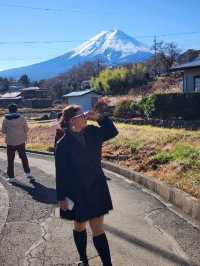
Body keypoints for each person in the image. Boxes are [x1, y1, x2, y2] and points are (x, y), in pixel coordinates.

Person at [55, 104, 118, 266]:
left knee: (98, 229)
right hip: (76, 191)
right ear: (71, 121)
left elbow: (112, 132)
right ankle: (83, 259)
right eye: (80, 115)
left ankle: (107, 264)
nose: (85, 116)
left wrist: (99, 118)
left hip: (96, 186)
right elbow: (60, 173)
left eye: (84, 114)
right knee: (80, 225)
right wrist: (61, 197)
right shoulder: (62, 144)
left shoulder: (92, 132)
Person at [1, 103, 34, 183]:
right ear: (16, 109)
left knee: (10, 159)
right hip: (21, 141)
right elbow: (26, 129)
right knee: (23, 158)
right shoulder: (22, 118)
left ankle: (11, 177)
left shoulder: (5, 119)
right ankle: (28, 174)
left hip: (10, 142)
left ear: (9, 110)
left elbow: (4, 131)